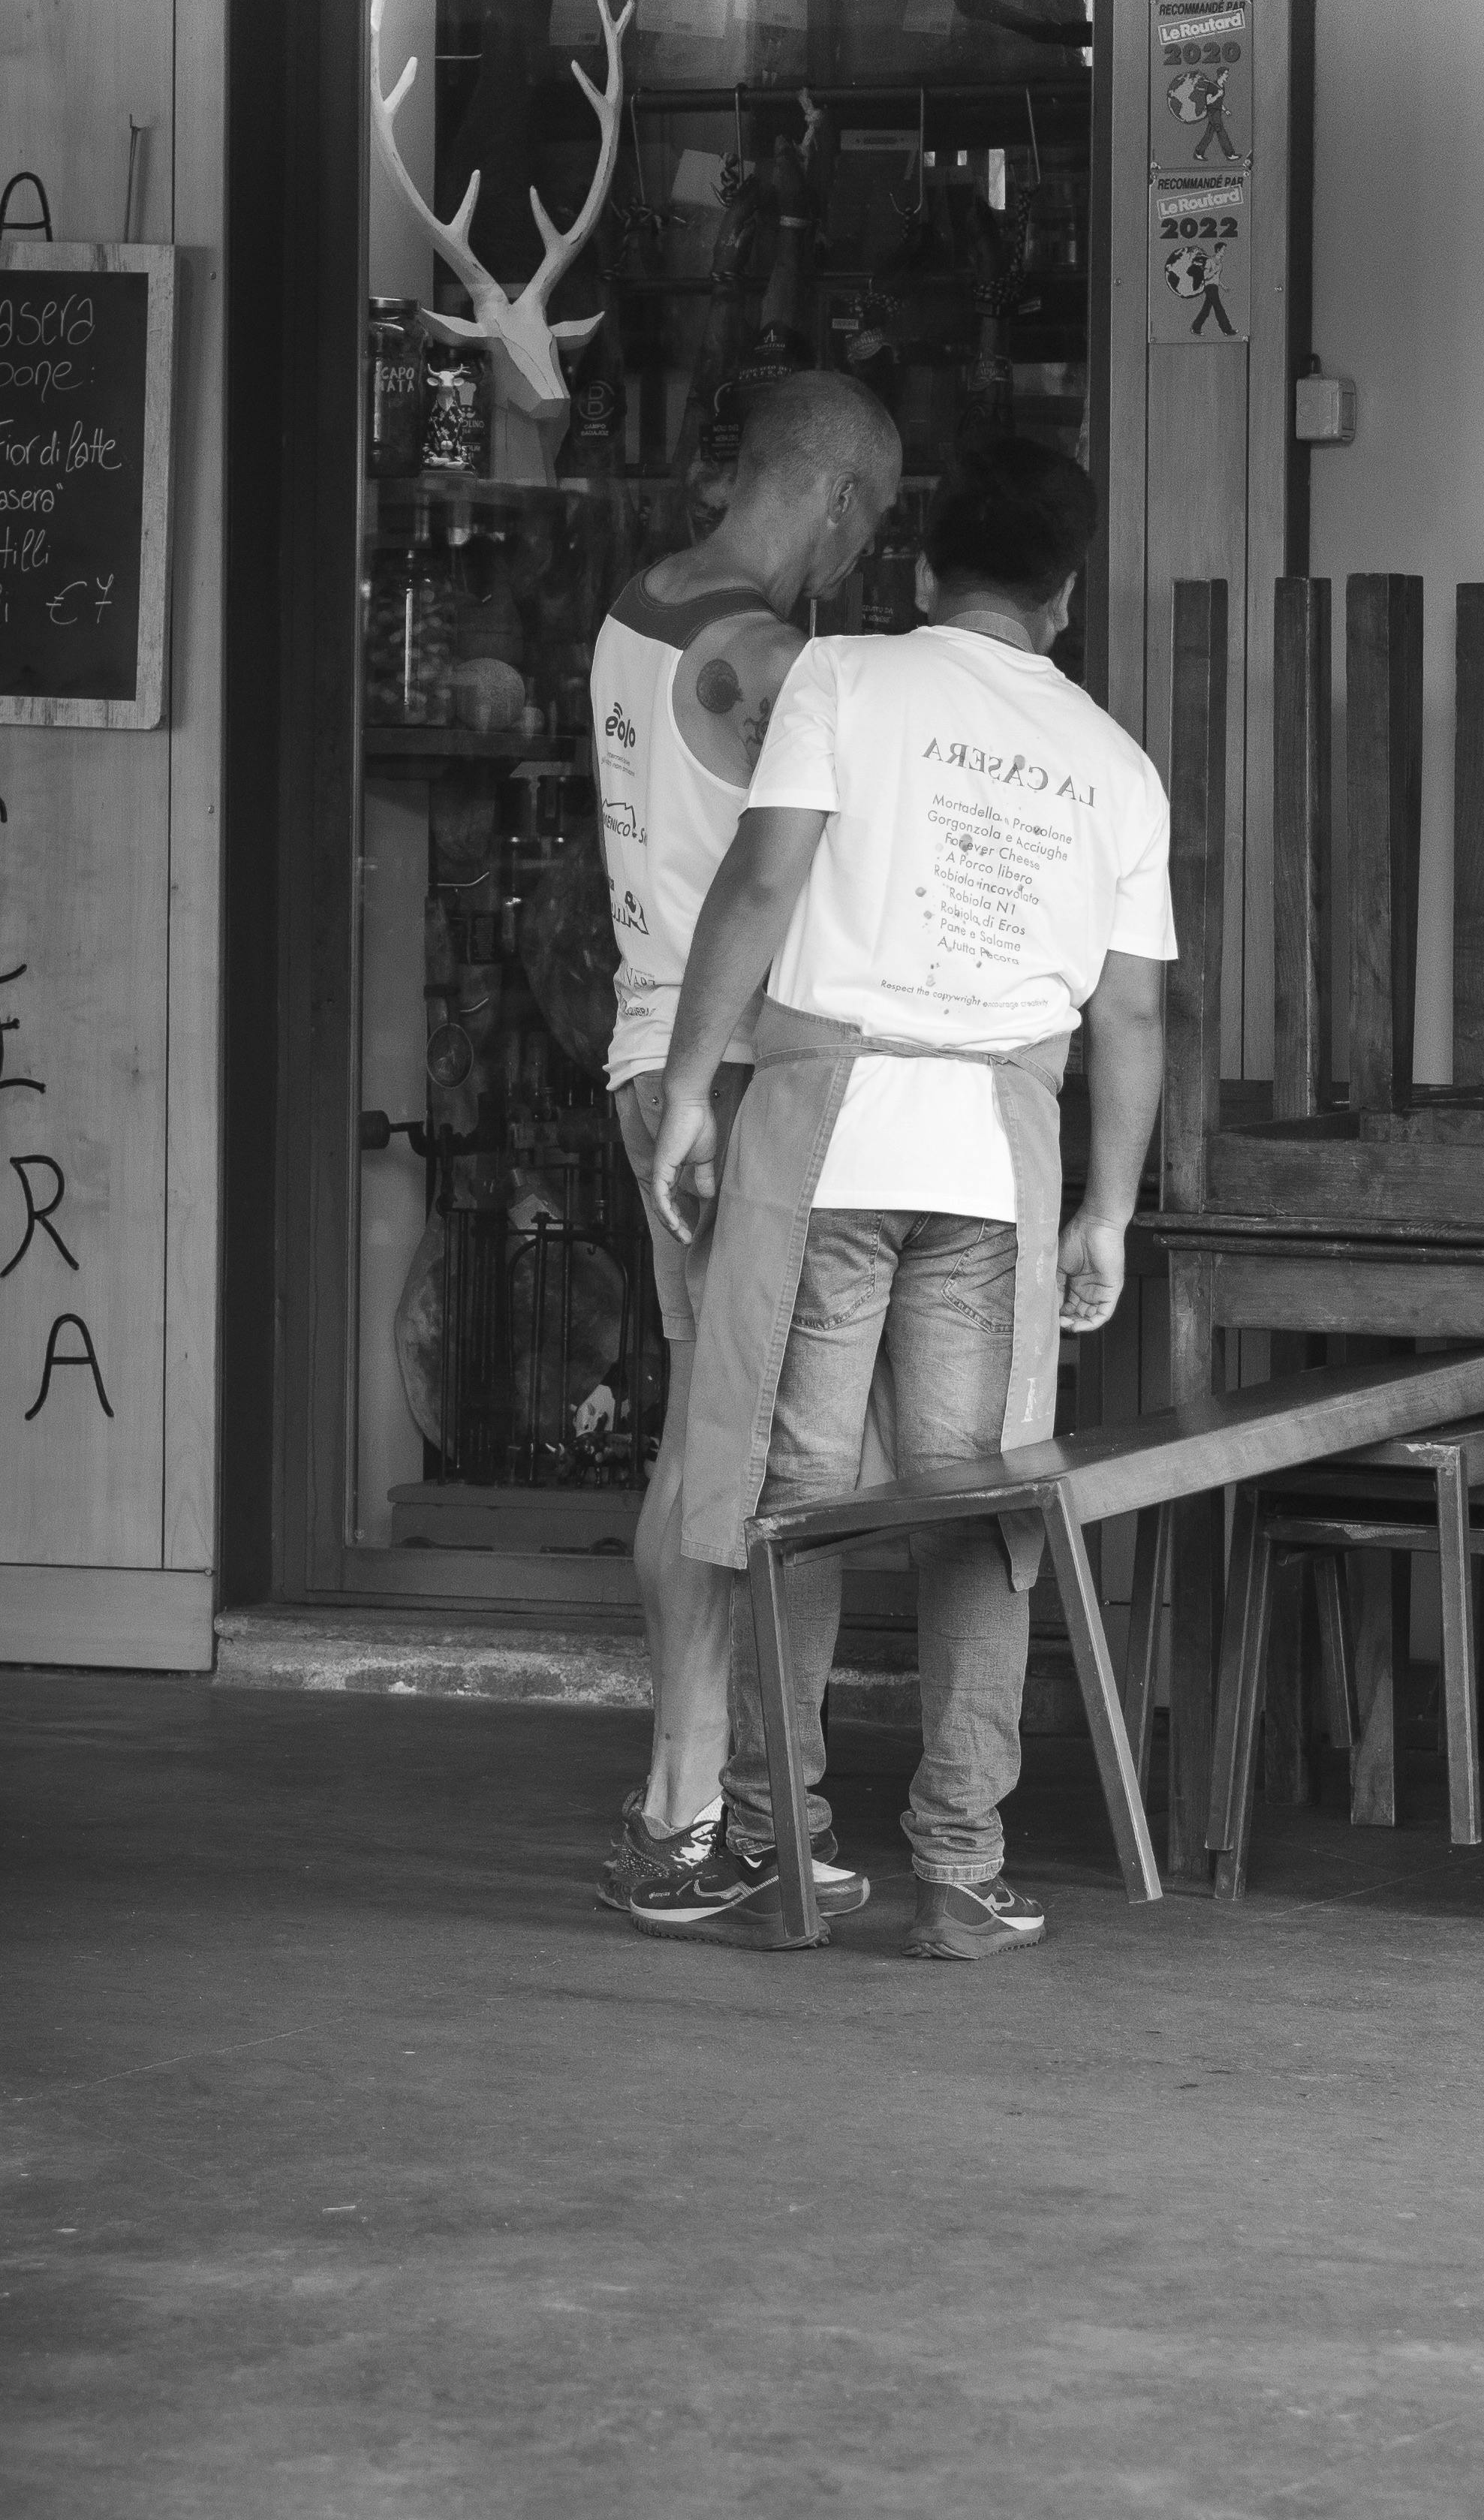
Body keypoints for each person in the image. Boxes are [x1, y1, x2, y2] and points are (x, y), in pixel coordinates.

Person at [643, 438, 1172, 1962]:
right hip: (999, 1170)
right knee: (978, 1512)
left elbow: (759, 886)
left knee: (785, 1501)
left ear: (927, 572)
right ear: (1064, 601)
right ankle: (960, 1867)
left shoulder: (847, 681)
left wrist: (690, 1086)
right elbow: (1132, 1021)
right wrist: (1111, 1210)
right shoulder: (1114, 766)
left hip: (828, 1140)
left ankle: (776, 1844)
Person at [588, 372, 905, 1937]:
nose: (860, 560)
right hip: (721, 1078)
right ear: (837, 502)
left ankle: (689, 1803)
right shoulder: (759, 652)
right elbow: (805, 869)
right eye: (870, 526)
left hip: (656, 1058)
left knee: (689, 1445)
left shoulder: (642, 607)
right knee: (736, 1457)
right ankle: (683, 1815)